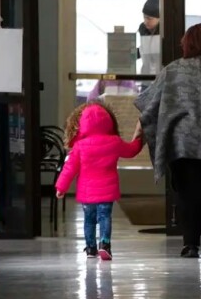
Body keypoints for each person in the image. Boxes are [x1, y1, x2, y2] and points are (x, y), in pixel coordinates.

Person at [135, 23, 201, 258]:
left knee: (190, 195)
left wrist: (140, 129)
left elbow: (149, 105)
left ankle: (191, 244)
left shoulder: (173, 70)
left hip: (182, 144)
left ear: (187, 43)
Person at [55, 103, 144, 261]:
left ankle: (90, 248)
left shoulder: (80, 146)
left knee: (89, 219)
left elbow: (69, 168)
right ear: (108, 122)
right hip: (107, 191)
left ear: (83, 124)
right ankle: (105, 245)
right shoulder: (114, 142)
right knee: (105, 217)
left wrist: (61, 187)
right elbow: (130, 151)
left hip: (87, 192)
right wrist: (139, 139)